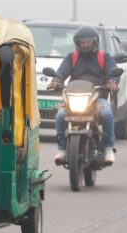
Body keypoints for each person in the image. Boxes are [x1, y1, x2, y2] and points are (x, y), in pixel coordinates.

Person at [47, 26, 120, 165]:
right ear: (77, 43)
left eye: (88, 42)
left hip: (97, 98)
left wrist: (113, 82)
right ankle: (62, 149)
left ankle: (108, 148)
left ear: (95, 42)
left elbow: (113, 71)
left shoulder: (104, 57)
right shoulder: (72, 57)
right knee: (60, 116)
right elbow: (62, 70)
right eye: (82, 42)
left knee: (107, 115)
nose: (85, 45)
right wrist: (56, 80)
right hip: (75, 98)